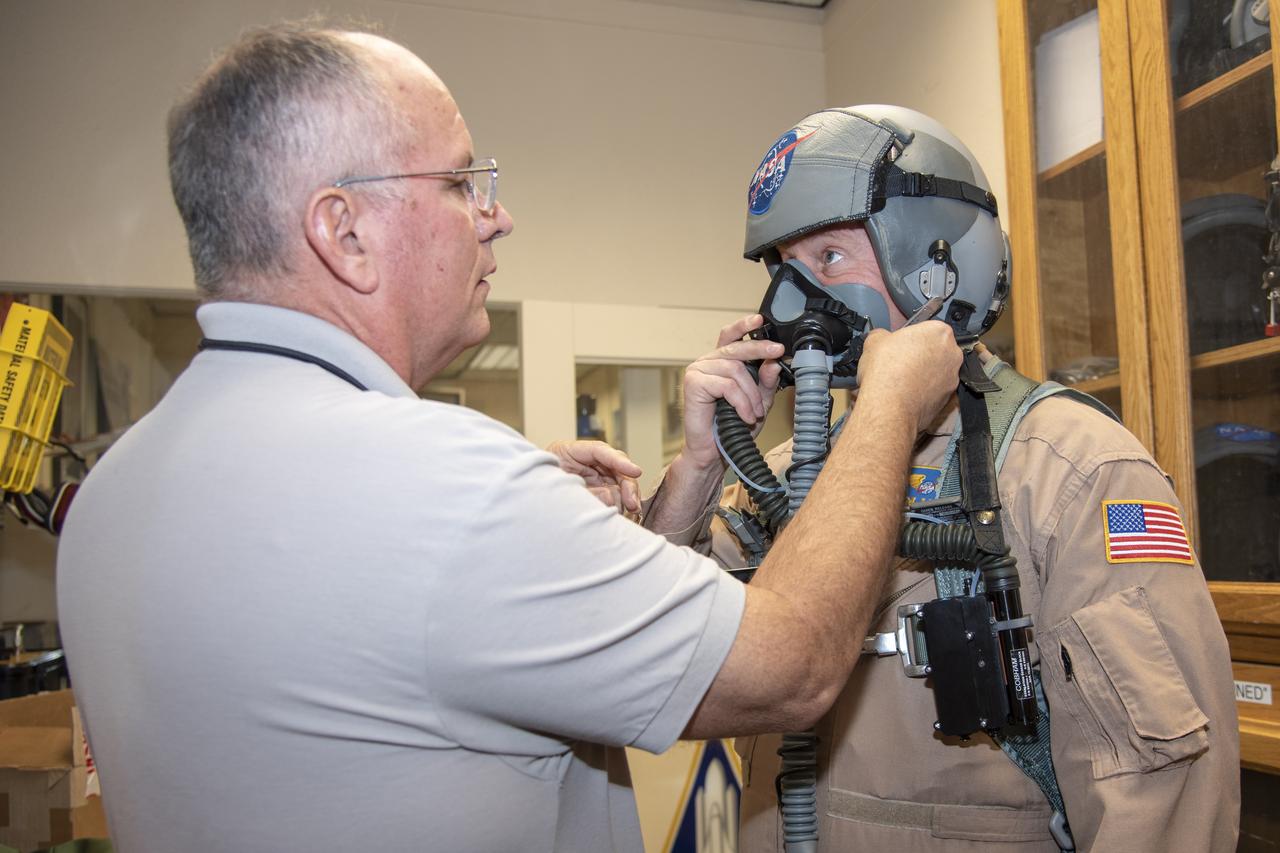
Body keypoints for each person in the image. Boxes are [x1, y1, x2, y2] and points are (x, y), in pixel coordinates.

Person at [55, 27, 964, 852]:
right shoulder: (445, 491)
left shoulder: (111, 492)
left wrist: (679, 474)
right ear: (344, 232)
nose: (497, 215)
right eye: (458, 183)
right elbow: (792, 667)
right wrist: (887, 408)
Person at [653, 105, 1241, 852]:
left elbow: (1159, 800)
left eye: (830, 259)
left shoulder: (1071, 468)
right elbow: (652, 660)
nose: (793, 304)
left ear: (935, 263)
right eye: (786, 270)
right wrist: (698, 468)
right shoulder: (781, 483)